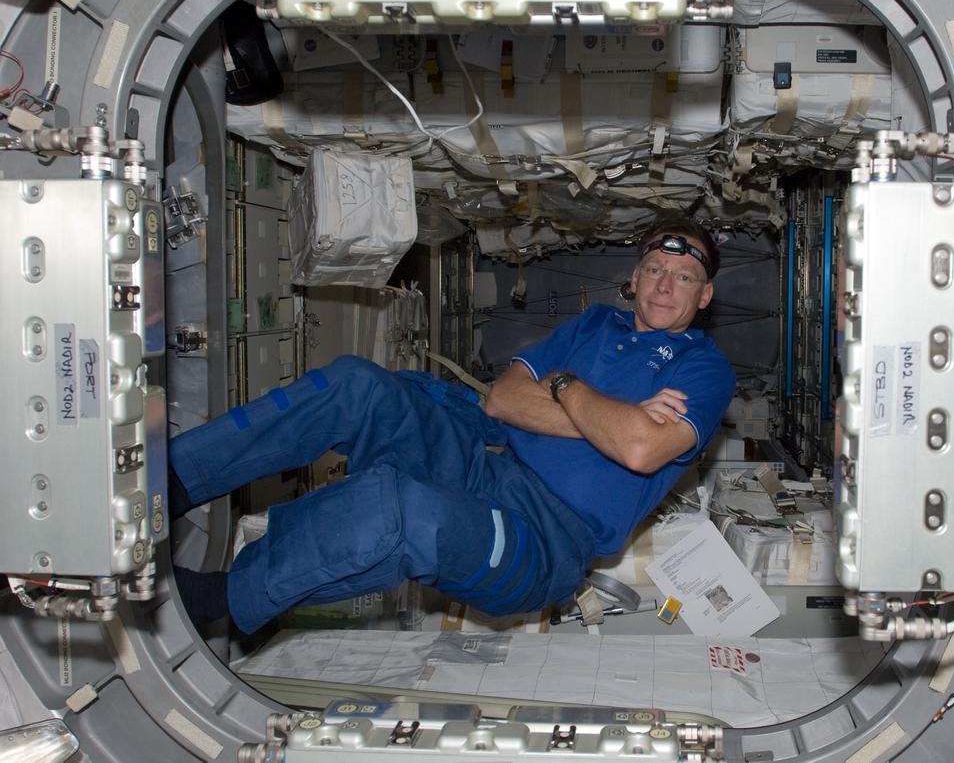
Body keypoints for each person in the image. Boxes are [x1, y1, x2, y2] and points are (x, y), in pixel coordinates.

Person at [170, 216, 736, 634]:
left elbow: (638, 449)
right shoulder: (594, 323)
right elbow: (503, 400)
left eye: (684, 276)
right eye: (656, 269)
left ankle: (220, 597)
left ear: (704, 295)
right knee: (356, 386)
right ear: (635, 278)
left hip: (547, 537)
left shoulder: (705, 369)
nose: (665, 284)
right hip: (481, 454)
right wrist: (605, 414)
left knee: (404, 510)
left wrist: (567, 387)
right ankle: (174, 479)